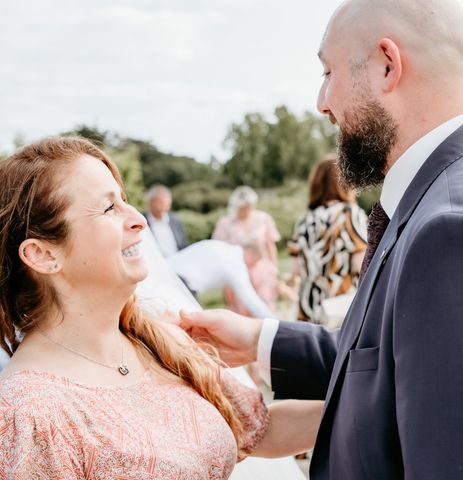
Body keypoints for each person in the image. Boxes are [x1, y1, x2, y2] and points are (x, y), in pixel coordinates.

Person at [179, 1, 463, 479]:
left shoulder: (458, 237)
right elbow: (412, 357)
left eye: (328, 71)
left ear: (386, 65)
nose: (322, 101)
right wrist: (259, 339)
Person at [0, 137, 322, 479]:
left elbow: (259, 429)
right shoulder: (26, 415)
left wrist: (380, 403)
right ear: (44, 254)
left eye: (124, 201)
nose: (139, 219)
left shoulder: (158, 341)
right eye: (109, 208)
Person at [288, 155, 367, 324]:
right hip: (340, 310)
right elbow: (362, 265)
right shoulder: (349, 214)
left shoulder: (304, 220)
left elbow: (295, 269)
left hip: (308, 311)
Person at [166, 239, 275, 319]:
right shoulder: (236, 264)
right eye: (254, 263)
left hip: (166, 269)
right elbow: (251, 300)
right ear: (250, 254)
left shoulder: (221, 246)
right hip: (181, 283)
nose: (251, 268)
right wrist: (275, 323)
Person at [213, 186, 280, 314]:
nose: (247, 210)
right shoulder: (225, 223)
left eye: (250, 206)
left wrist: (274, 269)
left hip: (262, 272)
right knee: (241, 311)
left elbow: (270, 245)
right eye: (244, 207)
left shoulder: (263, 219)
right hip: (237, 272)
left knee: (264, 307)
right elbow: (220, 253)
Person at [143, 184, 188, 257]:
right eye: (160, 203)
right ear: (150, 202)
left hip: (178, 260)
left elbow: (183, 245)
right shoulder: (142, 221)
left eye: (167, 204)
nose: (164, 206)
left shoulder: (175, 220)